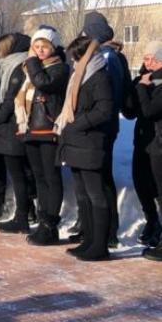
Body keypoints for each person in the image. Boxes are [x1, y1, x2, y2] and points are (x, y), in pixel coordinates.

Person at [56, 35, 115, 261]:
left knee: (95, 194)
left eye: (75, 57)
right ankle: (89, 240)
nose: (72, 62)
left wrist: (77, 125)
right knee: (82, 194)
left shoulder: (99, 77)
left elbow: (104, 110)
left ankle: (100, 245)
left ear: (85, 57)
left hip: (90, 141)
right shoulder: (77, 76)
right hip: (75, 142)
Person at [77, 12, 131, 247]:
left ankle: (106, 232)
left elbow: (104, 96)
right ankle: (98, 230)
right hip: (106, 124)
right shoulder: (114, 56)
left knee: (99, 181)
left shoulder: (105, 57)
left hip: (100, 125)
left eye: (85, 33)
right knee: (100, 178)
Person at [16, 26, 69, 245]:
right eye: (35, 47)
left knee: (51, 177)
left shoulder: (59, 68)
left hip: (48, 128)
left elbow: (44, 83)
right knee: (39, 178)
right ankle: (42, 220)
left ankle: (51, 224)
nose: (39, 51)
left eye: (44, 47)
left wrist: (32, 62)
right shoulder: (32, 70)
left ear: (53, 47)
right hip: (31, 128)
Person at [0, 33, 34, 234]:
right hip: (9, 124)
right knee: (19, 173)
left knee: (18, 174)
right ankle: (25, 212)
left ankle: (22, 216)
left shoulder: (18, 66)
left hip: (13, 124)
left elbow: (10, 98)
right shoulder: (9, 66)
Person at [123, 40, 162, 250]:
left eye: (153, 59)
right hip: (142, 140)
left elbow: (150, 110)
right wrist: (131, 90)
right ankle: (151, 220)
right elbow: (131, 113)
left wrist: (141, 89)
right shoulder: (143, 80)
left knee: (159, 187)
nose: (148, 63)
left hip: (159, 143)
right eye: (146, 58)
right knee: (141, 183)